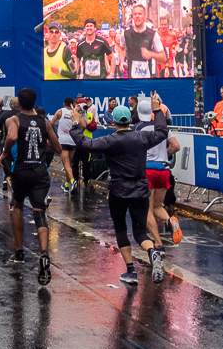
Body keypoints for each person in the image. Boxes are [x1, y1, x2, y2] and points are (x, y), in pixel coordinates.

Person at [73, 96, 171, 284]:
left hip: (119, 189)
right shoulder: (142, 137)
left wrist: (77, 125)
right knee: (140, 232)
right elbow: (161, 132)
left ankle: (131, 271)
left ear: (115, 121)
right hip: (141, 189)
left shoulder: (111, 140)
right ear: (130, 120)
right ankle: (153, 252)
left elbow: (86, 144)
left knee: (121, 229)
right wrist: (157, 110)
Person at [1, 88, 64, 285]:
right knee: (39, 213)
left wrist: (4, 152)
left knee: (17, 206)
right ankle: (44, 253)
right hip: (40, 172)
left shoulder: (14, 120)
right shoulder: (45, 122)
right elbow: (58, 148)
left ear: (19, 103)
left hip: (22, 171)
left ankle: (19, 252)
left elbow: (11, 137)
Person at [134, 96, 183, 246]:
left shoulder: (138, 128)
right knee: (157, 206)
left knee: (147, 209)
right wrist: (164, 154)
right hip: (163, 170)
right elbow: (176, 146)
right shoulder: (162, 126)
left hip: (147, 169)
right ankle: (170, 222)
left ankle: (157, 241)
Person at [122, 4, 167, 79]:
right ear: (132, 17)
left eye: (139, 14)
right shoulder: (126, 34)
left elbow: (163, 57)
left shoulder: (153, 35)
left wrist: (151, 54)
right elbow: (121, 48)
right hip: (131, 80)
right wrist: (121, 60)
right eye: (135, 14)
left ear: (145, 17)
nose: (137, 16)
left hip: (147, 79)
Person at [51, 98, 79, 193]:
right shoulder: (75, 113)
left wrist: (58, 126)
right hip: (72, 141)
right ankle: (67, 185)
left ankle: (73, 181)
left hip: (62, 141)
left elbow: (52, 123)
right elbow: (81, 125)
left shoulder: (60, 111)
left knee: (66, 164)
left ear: (64, 104)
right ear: (72, 104)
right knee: (69, 165)